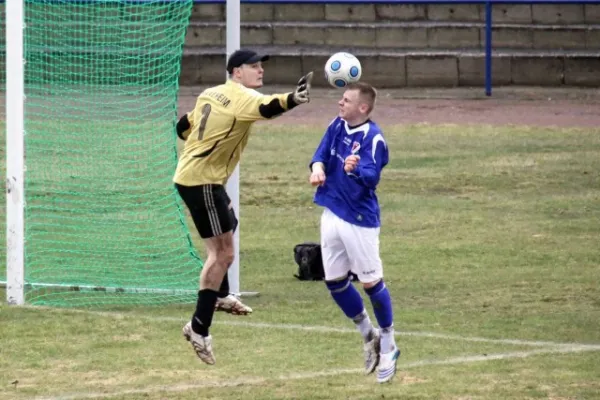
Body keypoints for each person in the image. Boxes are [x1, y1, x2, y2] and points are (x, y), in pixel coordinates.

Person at [174, 48, 313, 365]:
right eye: (253, 66)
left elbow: (183, 127)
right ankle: (199, 327)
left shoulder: (211, 93)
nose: (260, 70)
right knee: (223, 254)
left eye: (261, 65)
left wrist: (200, 143)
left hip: (195, 177)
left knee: (229, 222)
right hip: (203, 181)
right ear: (237, 71)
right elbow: (268, 106)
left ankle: (221, 295)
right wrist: (295, 98)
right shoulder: (242, 97)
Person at [308, 82, 400, 383]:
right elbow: (320, 152)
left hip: (359, 219)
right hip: (331, 212)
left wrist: (355, 169)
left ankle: (388, 343)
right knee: (334, 281)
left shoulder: (374, 138)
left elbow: (374, 177)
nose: (340, 103)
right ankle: (367, 334)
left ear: (363, 108)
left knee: (371, 282)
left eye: (346, 100)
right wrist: (318, 168)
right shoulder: (337, 125)